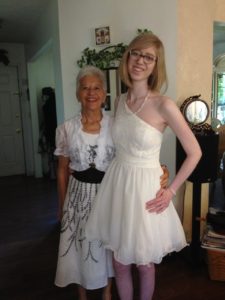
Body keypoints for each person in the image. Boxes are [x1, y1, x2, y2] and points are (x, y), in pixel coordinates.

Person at [86, 33, 202, 300]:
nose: (140, 61)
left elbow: (194, 152)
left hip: (146, 190)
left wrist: (171, 190)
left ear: (155, 65)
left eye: (148, 57)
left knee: (145, 263)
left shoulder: (164, 104)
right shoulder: (118, 102)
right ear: (127, 58)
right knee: (119, 261)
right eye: (136, 53)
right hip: (118, 185)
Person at [54, 65, 169, 300]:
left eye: (96, 87)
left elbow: (135, 153)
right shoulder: (66, 128)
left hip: (112, 192)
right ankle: (82, 293)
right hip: (78, 195)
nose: (91, 93)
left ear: (104, 92)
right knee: (80, 244)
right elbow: (62, 170)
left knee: (109, 248)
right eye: (85, 88)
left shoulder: (115, 124)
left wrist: (161, 169)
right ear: (77, 93)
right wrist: (62, 205)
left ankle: (107, 292)